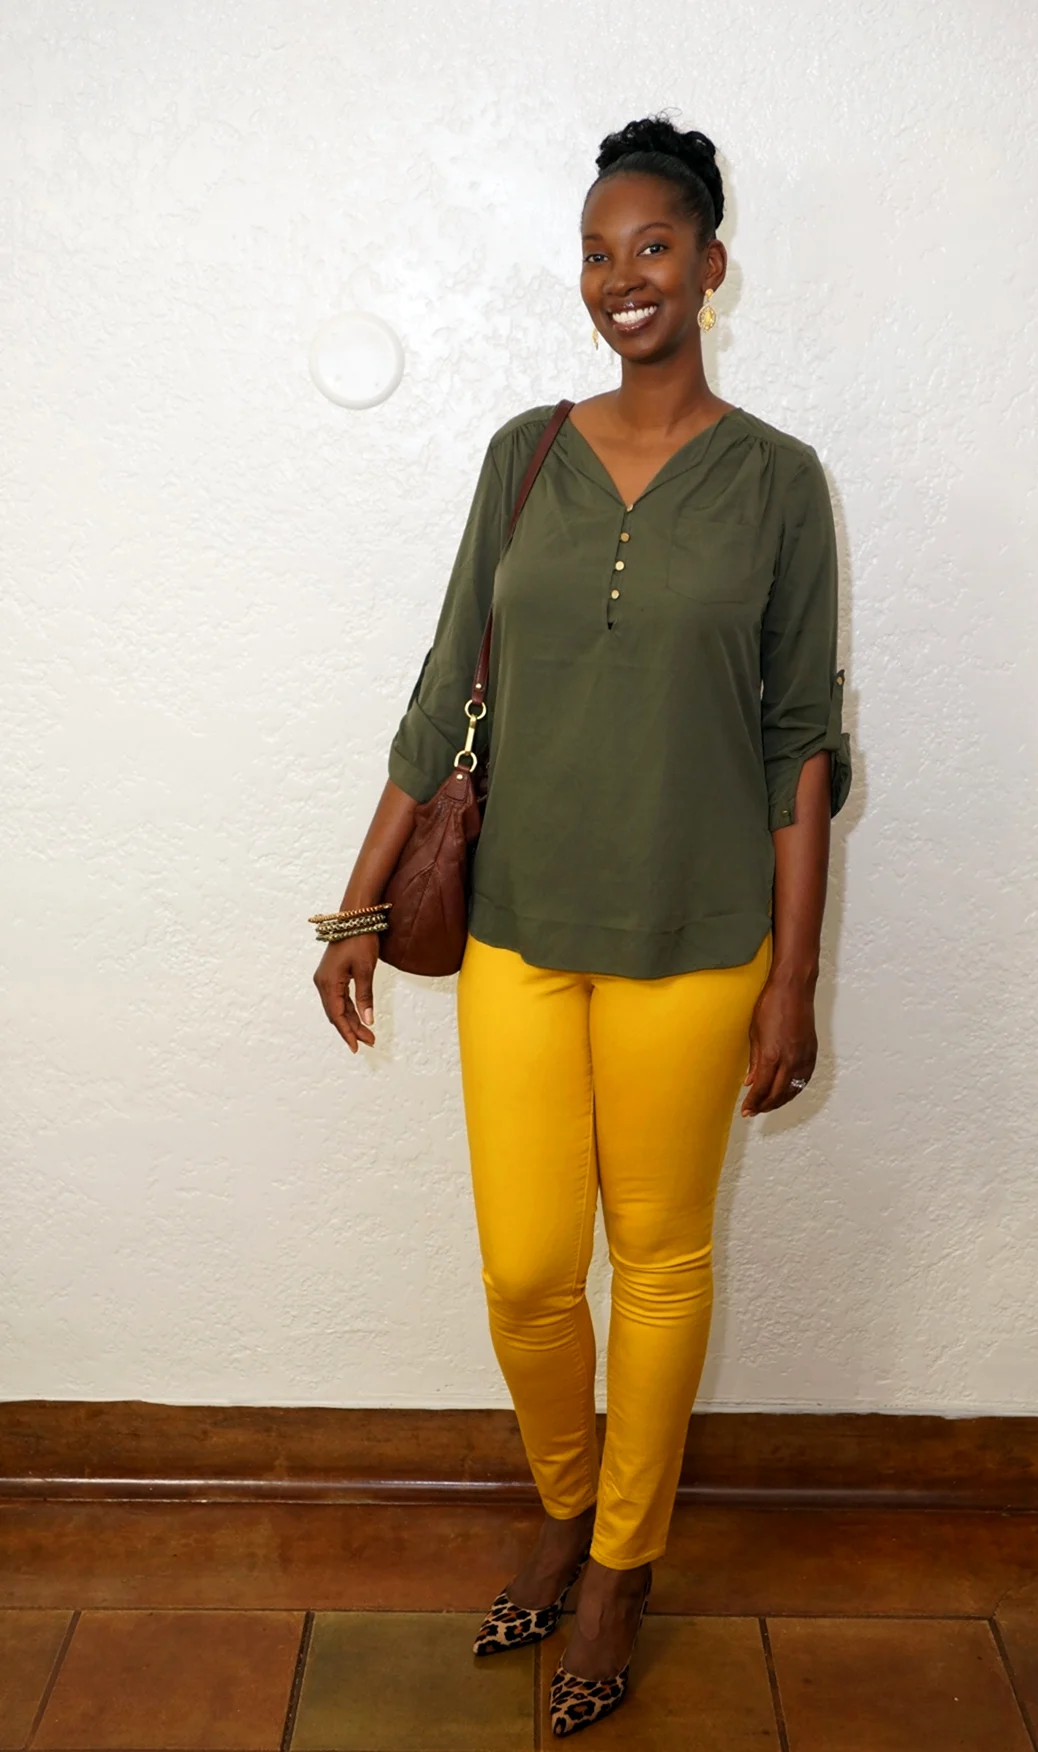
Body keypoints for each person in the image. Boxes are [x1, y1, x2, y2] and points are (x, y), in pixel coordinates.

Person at [312, 114, 851, 1738]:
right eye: (600, 252)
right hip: (521, 928)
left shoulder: (779, 483)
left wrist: (795, 982)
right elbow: (442, 691)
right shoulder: (523, 455)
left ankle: (620, 1560)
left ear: (711, 265)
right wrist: (360, 900)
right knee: (530, 1269)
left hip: (700, 933)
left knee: (661, 1258)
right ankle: (564, 1496)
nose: (624, 277)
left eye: (654, 247)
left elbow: (800, 745)